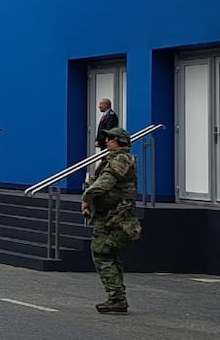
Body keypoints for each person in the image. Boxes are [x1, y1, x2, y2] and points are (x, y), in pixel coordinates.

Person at [81, 126, 139, 314]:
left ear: (120, 142)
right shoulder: (114, 158)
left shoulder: (121, 159)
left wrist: (87, 197)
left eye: (111, 139)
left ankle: (116, 298)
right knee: (108, 254)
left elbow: (105, 183)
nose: (107, 141)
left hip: (115, 216)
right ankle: (117, 297)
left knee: (101, 253)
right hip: (109, 214)